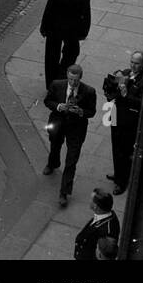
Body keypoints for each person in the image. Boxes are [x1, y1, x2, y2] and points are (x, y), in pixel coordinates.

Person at [44, 64, 97, 208]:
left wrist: (81, 112)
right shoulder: (57, 85)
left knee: (71, 160)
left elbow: (92, 111)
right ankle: (52, 163)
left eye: (76, 80)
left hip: (77, 128)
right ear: (67, 75)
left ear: (80, 78)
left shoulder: (89, 91)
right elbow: (47, 101)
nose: (73, 83)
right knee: (55, 145)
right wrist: (59, 106)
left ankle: (64, 192)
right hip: (58, 123)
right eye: (70, 79)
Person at [40, 0, 91, 88]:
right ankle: (62, 78)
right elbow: (86, 17)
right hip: (72, 32)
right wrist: (83, 33)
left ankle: (51, 83)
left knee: (51, 57)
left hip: (54, 30)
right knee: (70, 55)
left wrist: (44, 28)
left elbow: (48, 12)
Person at [102, 51, 143, 194]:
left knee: (125, 150)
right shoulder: (126, 72)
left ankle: (122, 182)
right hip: (116, 115)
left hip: (130, 121)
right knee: (116, 146)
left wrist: (126, 94)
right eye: (132, 62)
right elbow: (113, 91)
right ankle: (118, 173)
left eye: (137, 63)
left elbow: (142, 103)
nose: (133, 66)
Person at [72, 189, 120, 260]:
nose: (89, 201)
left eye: (91, 200)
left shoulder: (107, 232)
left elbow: (105, 256)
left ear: (96, 206)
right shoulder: (103, 215)